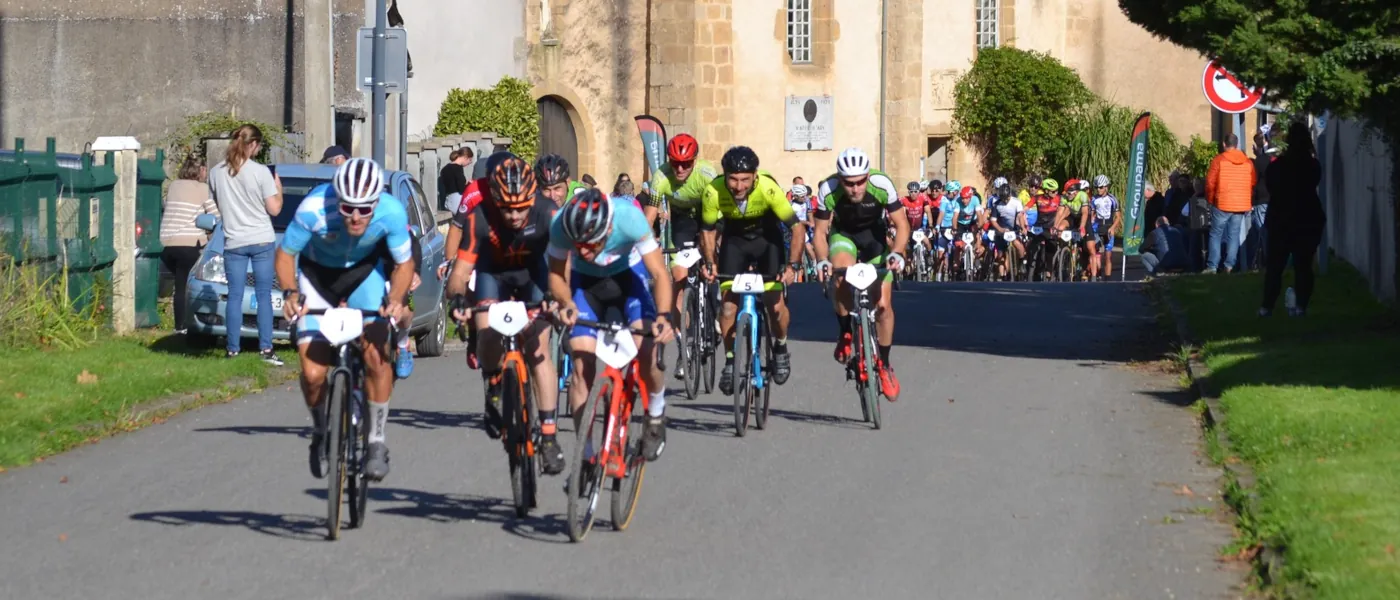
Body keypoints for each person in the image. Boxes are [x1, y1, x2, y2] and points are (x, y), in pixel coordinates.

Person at [276, 157, 414, 482]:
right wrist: (289, 293)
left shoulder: (392, 212)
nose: (355, 216)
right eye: (348, 207)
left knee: (377, 356)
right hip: (317, 278)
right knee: (312, 374)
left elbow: (404, 264)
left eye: (365, 209)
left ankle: (377, 441)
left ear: (377, 202)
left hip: (363, 276)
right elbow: (285, 254)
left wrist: (395, 299)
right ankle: (322, 429)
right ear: (336, 199)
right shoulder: (313, 208)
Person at [446, 155, 568, 474]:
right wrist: (457, 299)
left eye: (521, 208)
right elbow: (460, 273)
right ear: (496, 201)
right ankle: (494, 384)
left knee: (539, 349)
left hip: (534, 274)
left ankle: (550, 436)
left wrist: (560, 299)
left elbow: (562, 268)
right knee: (486, 333)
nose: (514, 216)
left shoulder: (548, 213)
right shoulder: (478, 218)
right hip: (493, 274)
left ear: (533, 199)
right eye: (507, 209)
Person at [548, 188, 675, 462]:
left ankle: (655, 412)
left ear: (607, 230)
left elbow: (659, 273)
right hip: (585, 285)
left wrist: (664, 316)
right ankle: (586, 453)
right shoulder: (560, 224)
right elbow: (557, 276)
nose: (584, 251)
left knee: (647, 350)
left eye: (591, 244)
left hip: (628, 279)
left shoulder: (629, 217)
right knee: (581, 363)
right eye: (578, 245)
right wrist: (566, 303)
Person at [698, 146, 806, 393]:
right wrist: (709, 262)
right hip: (735, 242)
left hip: (767, 241)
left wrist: (793, 266)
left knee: (775, 306)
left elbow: (797, 229)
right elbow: (707, 230)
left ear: (755, 175)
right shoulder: (713, 191)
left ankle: (780, 345)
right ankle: (730, 359)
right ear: (725, 176)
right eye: (733, 179)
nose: (738, 186)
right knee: (727, 306)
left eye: (745, 179)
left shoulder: (768, 188)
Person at [812, 148, 909, 400]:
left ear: (867, 176)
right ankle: (845, 331)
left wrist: (897, 252)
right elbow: (820, 232)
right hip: (843, 235)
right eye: (849, 183)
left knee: (883, 306)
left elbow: (902, 224)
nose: (855, 189)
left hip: (874, 238)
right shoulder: (829, 188)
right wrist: (822, 260)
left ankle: (885, 364)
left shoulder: (881, 183)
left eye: (859, 182)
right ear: (840, 179)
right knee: (841, 276)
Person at [644, 134, 718, 378]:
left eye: (686, 163)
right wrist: (644, 241)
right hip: (683, 221)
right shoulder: (661, 176)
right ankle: (684, 344)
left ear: (695, 161)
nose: (680, 168)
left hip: (708, 217)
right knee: (678, 277)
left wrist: (714, 244)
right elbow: (650, 215)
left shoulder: (707, 175)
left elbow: (720, 212)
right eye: (675, 162)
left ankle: (715, 308)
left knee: (715, 261)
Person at [208, 124, 284, 365]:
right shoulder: (260, 172)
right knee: (263, 295)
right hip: (261, 239)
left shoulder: (216, 172)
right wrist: (278, 190)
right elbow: (274, 209)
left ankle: (232, 349)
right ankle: (266, 349)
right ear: (253, 145)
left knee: (235, 295)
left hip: (234, 240)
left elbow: (218, 204)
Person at [1260, 121, 1326, 317]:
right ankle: (1301, 306)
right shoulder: (1312, 165)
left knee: (1275, 265)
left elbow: (1271, 188)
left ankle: (1267, 307)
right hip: (1307, 217)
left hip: (1281, 218)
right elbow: (1314, 183)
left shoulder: (1278, 167)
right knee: (1303, 265)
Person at [161, 155, 219, 334]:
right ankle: (184, 325)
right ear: (201, 170)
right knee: (189, 285)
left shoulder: (174, 186)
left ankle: (180, 325)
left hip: (166, 244)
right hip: (189, 244)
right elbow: (216, 216)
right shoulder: (202, 189)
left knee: (180, 285)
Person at [1205, 134, 1257, 273]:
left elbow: (1210, 182)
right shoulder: (1247, 162)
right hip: (1240, 204)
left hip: (1222, 202)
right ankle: (1229, 266)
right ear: (1237, 143)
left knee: (1215, 234)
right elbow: (1252, 182)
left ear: (1224, 144)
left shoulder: (1219, 160)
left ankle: (1212, 266)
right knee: (1233, 235)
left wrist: (1210, 200)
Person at [1245, 126, 1277, 270]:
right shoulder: (1280, 159)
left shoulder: (1261, 161)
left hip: (1262, 199)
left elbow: (1253, 180)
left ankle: (1268, 262)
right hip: (1277, 200)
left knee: (1264, 232)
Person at [1083, 175, 1120, 281]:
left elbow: (1118, 217)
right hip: (1097, 227)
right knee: (1093, 250)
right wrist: (1091, 221)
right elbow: (1092, 214)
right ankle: (1094, 275)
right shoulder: (1094, 199)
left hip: (1108, 226)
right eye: (1097, 188)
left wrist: (1113, 228)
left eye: (1101, 187)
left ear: (1106, 187)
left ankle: (1107, 279)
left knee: (1108, 256)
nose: (1098, 189)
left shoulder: (1112, 199)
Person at [439, 147, 475, 213]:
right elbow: (461, 188)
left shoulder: (445, 168)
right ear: (465, 157)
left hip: (448, 200)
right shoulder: (458, 169)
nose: (470, 163)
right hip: (456, 201)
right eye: (470, 160)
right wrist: (469, 184)